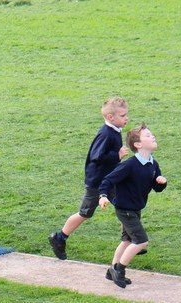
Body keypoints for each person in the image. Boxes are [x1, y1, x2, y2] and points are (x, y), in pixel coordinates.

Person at [49, 97, 130, 260]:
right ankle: (59, 238)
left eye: (126, 115)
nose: (126, 118)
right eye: (123, 116)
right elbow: (96, 156)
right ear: (110, 117)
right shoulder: (106, 134)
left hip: (110, 179)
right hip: (97, 182)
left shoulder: (114, 130)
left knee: (125, 205)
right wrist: (117, 155)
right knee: (85, 213)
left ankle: (130, 240)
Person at [99, 122, 167, 288]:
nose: (153, 137)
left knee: (127, 241)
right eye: (148, 135)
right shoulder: (129, 165)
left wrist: (161, 182)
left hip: (135, 209)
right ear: (138, 144)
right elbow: (108, 180)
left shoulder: (153, 164)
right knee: (141, 241)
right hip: (125, 209)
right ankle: (119, 270)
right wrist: (102, 196)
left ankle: (111, 271)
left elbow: (156, 188)